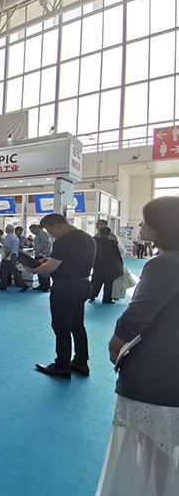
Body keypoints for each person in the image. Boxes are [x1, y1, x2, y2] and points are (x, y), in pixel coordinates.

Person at [96, 196, 179, 496]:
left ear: (162, 226)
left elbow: (136, 316)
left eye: (146, 220)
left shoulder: (163, 264)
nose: (140, 225)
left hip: (156, 372)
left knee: (147, 451)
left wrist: (114, 345)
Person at [26, 213, 96, 379]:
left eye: (51, 231)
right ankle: (81, 362)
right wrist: (49, 260)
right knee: (77, 325)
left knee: (61, 327)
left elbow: (50, 267)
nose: (52, 235)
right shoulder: (88, 238)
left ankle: (61, 366)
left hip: (65, 288)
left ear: (58, 226)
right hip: (83, 285)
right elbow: (72, 259)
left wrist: (34, 269)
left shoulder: (64, 240)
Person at [90, 227, 124, 305]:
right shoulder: (112, 242)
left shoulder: (95, 240)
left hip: (97, 263)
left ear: (100, 232)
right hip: (109, 264)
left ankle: (92, 295)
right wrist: (121, 263)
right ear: (109, 233)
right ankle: (107, 298)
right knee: (109, 282)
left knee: (96, 280)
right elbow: (117, 254)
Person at [0, 224, 28, 292]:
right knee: (14, 270)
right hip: (14, 255)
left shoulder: (8, 237)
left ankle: (3, 285)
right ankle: (23, 284)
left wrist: (5, 256)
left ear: (8, 229)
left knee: (4, 271)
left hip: (9, 255)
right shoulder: (15, 237)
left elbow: (7, 247)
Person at [30, 224, 53, 292]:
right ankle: (42, 285)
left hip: (43, 255)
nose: (31, 232)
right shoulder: (38, 235)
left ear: (35, 229)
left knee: (44, 272)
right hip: (39, 255)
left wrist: (38, 250)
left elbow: (44, 242)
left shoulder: (43, 234)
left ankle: (46, 286)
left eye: (32, 230)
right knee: (39, 271)